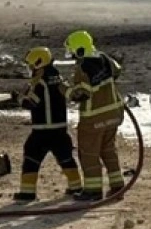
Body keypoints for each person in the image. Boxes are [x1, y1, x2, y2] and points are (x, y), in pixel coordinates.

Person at [11, 47, 82, 203]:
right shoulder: (57, 78)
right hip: (60, 130)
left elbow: (32, 103)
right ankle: (76, 187)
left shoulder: (40, 83)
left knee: (31, 158)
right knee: (66, 158)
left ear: (38, 63)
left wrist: (18, 99)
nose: (29, 69)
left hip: (42, 131)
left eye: (31, 65)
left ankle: (27, 193)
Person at [65, 30, 126, 201]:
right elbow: (117, 71)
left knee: (88, 154)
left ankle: (93, 190)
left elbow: (80, 94)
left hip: (93, 120)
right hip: (114, 115)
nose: (71, 55)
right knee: (108, 151)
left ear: (79, 50)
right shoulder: (105, 58)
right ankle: (117, 187)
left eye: (72, 51)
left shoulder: (83, 68)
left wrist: (64, 89)